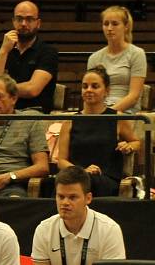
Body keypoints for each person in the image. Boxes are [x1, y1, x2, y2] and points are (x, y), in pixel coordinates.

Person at [57, 66, 140, 197]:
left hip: (106, 178)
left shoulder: (117, 117)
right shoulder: (70, 121)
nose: (88, 90)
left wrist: (128, 146)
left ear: (106, 91)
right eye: (85, 86)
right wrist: (81, 172)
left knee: (90, 183)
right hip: (76, 177)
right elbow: (61, 160)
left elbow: (136, 142)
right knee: (54, 184)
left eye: (95, 86)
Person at [0, 1, 58, 113]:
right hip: (2, 112)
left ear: (38, 23)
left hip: (34, 112)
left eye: (29, 19)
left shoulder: (47, 52)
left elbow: (32, 89)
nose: (23, 23)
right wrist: (4, 51)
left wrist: (1, 90)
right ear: (13, 22)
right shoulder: (2, 49)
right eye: (19, 19)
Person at [87, 6, 146, 114]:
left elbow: (134, 96)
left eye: (115, 24)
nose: (109, 28)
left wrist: (108, 113)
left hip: (125, 111)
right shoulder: (94, 58)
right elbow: (89, 92)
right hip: (99, 110)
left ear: (126, 26)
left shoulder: (137, 54)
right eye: (106, 24)